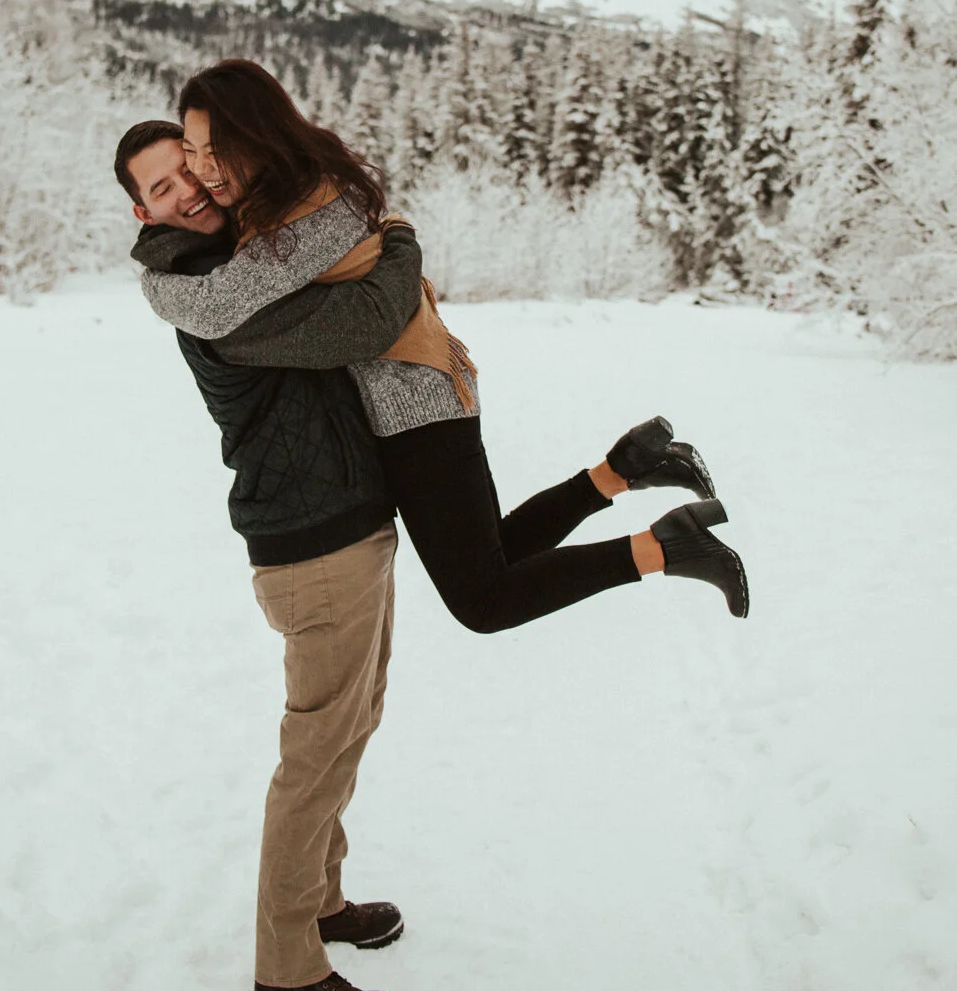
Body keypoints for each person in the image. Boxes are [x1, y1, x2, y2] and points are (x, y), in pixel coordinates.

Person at [138, 61, 750, 635]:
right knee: (494, 554)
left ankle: (669, 547)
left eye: (216, 150)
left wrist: (153, 283)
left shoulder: (303, 216)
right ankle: (624, 469)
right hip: (420, 385)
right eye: (192, 151)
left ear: (257, 135)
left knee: (483, 602)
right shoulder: (282, 195)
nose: (203, 169)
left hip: (411, 399)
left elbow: (217, 306)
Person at [115, 119, 425, 991]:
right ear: (142, 212)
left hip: (346, 521)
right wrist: (399, 240)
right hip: (310, 540)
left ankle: (321, 898)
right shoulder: (209, 295)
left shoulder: (245, 256)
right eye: (162, 187)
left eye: (190, 170)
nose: (187, 191)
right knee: (314, 752)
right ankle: (287, 969)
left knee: (349, 725)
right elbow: (368, 319)